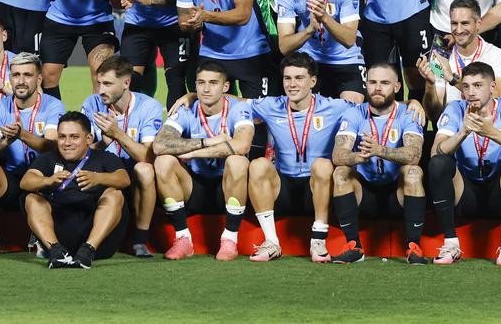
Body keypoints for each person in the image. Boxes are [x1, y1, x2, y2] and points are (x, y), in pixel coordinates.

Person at [427, 61, 501, 266]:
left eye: (477, 85)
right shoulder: (455, 109)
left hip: (499, 191)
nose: (471, 92)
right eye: (466, 86)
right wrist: (463, 132)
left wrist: (491, 132)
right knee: (439, 164)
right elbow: (435, 152)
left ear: (492, 87)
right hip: (465, 191)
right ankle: (450, 243)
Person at [246, 53, 347, 263]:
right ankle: (271, 242)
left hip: (318, 190)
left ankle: (318, 240)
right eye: (287, 78)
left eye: (299, 78)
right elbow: (233, 103)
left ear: (313, 81)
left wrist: (411, 102)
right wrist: (190, 97)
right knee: (258, 165)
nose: (292, 84)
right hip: (283, 191)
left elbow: (372, 109)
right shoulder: (271, 105)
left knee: (322, 165)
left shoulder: (334, 107)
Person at [152, 61, 253, 261]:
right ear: (195, 86)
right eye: (201, 83)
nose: (206, 89)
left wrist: (193, 153)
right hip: (194, 187)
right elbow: (159, 145)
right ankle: (183, 239)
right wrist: (207, 141)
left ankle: (230, 240)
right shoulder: (187, 109)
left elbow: (242, 145)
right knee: (163, 161)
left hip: (228, 187)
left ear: (225, 87)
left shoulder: (239, 109)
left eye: (213, 83)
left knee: (237, 161)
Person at [0, 53, 64, 257]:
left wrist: (22, 135)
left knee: (53, 169)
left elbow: (54, 147)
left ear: (38, 79)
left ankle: (40, 236)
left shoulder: (53, 105)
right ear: (10, 78)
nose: (21, 81)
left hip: (41, 181)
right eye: (16, 75)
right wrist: (7, 141)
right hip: (12, 182)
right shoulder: (0, 106)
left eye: (27, 75)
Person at [330, 63, 425, 264]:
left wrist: (379, 150)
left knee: (413, 171)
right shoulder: (354, 114)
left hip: (397, 194)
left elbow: (414, 155)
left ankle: (413, 247)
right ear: (366, 84)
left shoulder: (409, 113)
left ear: (397, 87)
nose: (378, 88)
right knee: (340, 172)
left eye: (384, 83)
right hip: (365, 194)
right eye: (372, 82)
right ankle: (353, 246)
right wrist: (360, 157)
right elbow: (338, 155)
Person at [22, 111, 130, 269]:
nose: (67, 142)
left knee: (115, 194)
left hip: (97, 239)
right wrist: (48, 180)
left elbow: (124, 179)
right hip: (58, 233)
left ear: (88, 139)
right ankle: (56, 252)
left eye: (74, 137)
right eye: (62, 136)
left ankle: (87, 251)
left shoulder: (104, 158)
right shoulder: (48, 159)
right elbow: (26, 182)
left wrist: (98, 178)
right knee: (31, 198)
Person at [79, 57, 163, 258]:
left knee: (145, 170)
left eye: (107, 84)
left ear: (126, 83)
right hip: (104, 174)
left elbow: (148, 157)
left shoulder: (149, 107)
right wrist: (103, 143)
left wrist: (117, 134)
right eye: (99, 83)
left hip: (134, 174)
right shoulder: (92, 104)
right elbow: (80, 153)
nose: (100, 90)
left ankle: (140, 241)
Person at [276, 0, 363, 102]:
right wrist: (309, 30)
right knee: (303, 109)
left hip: (345, 59)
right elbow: (284, 47)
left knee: (351, 109)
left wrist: (324, 17)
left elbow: (349, 39)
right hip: (309, 59)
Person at [425, 0, 501, 111]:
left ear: (478, 24)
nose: (459, 30)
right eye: (454, 23)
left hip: (485, 125)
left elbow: (495, 95)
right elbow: (434, 114)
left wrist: (452, 78)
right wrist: (430, 85)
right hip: (452, 125)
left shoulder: (497, 55)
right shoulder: (441, 57)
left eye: (465, 23)